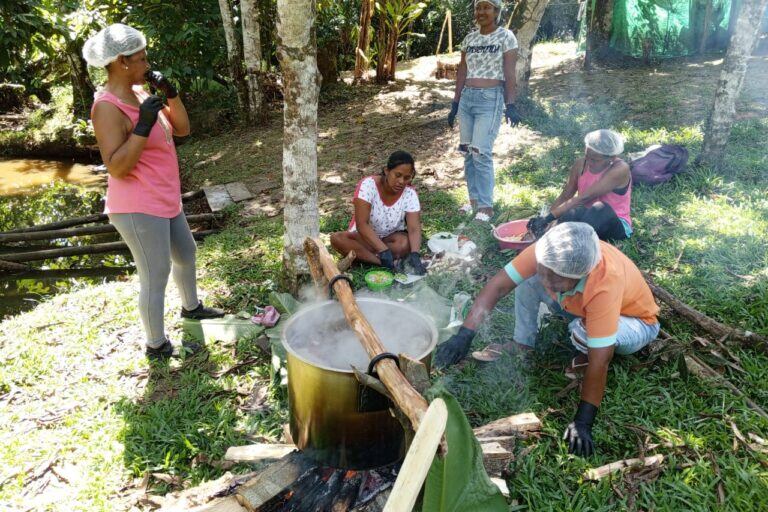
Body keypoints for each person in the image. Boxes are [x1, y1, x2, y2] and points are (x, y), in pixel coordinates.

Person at [435, 222, 660, 457]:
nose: (547, 282)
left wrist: (583, 421)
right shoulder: (550, 251)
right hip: (582, 303)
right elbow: (499, 286)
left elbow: (600, 361)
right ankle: (523, 342)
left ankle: (582, 351)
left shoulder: (604, 283)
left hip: (636, 323)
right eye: (545, 273)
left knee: (581, 332)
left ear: (578, 276)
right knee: (528, 281)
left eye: (555, 281)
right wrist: (464, 335)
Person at [84, 24, 223, 360]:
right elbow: (117, 167)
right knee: (155, 272)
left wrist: (171, 93)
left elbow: (183, 129)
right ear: (121, 62)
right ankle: (156, 345)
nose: (148, 64)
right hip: (136, 205)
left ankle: (191, 308)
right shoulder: (106, 106)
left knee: (186, 252)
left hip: (163, 196)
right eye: (142, 59)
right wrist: (143, 125)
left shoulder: (143, 94)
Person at [448, 0, 522, 222]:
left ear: (496, 11)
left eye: (486, 7)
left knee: (481, 152)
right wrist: (455, 103)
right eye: (478, 8)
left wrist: (511, 104)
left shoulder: (506, 37)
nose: (481, 12)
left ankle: (486, 206)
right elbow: (463, 70)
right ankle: (473, 201)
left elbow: (510, 72)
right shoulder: (469, 39)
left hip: (490, 99)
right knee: (468, 153)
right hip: (467, 100)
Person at [330, 151, 427, 275]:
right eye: (397, 175)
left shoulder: (410, 193)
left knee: (405, 244)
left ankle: (364, 256)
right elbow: (362, 224)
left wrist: (415, 254)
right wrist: (383, 250)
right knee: (337, 239)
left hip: (390, 238)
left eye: (407, 178)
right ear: (386, 171)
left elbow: (414, 228)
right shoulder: (368, 185)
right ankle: (382, 262)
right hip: (364, 238)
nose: (402, 181)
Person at [527, 129, 633, 242]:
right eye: (587, 156)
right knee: (570, 214)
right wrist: (545, 219)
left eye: (594, 160)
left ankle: (564, 238)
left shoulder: (620, 169)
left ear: (611, 158)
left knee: (600, 208)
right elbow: (566, 196)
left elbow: (585, 197)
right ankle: (545, 239)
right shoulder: (580, 164)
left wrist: (549, 218)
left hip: (614, 223)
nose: (589, 162)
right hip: (585, 218)